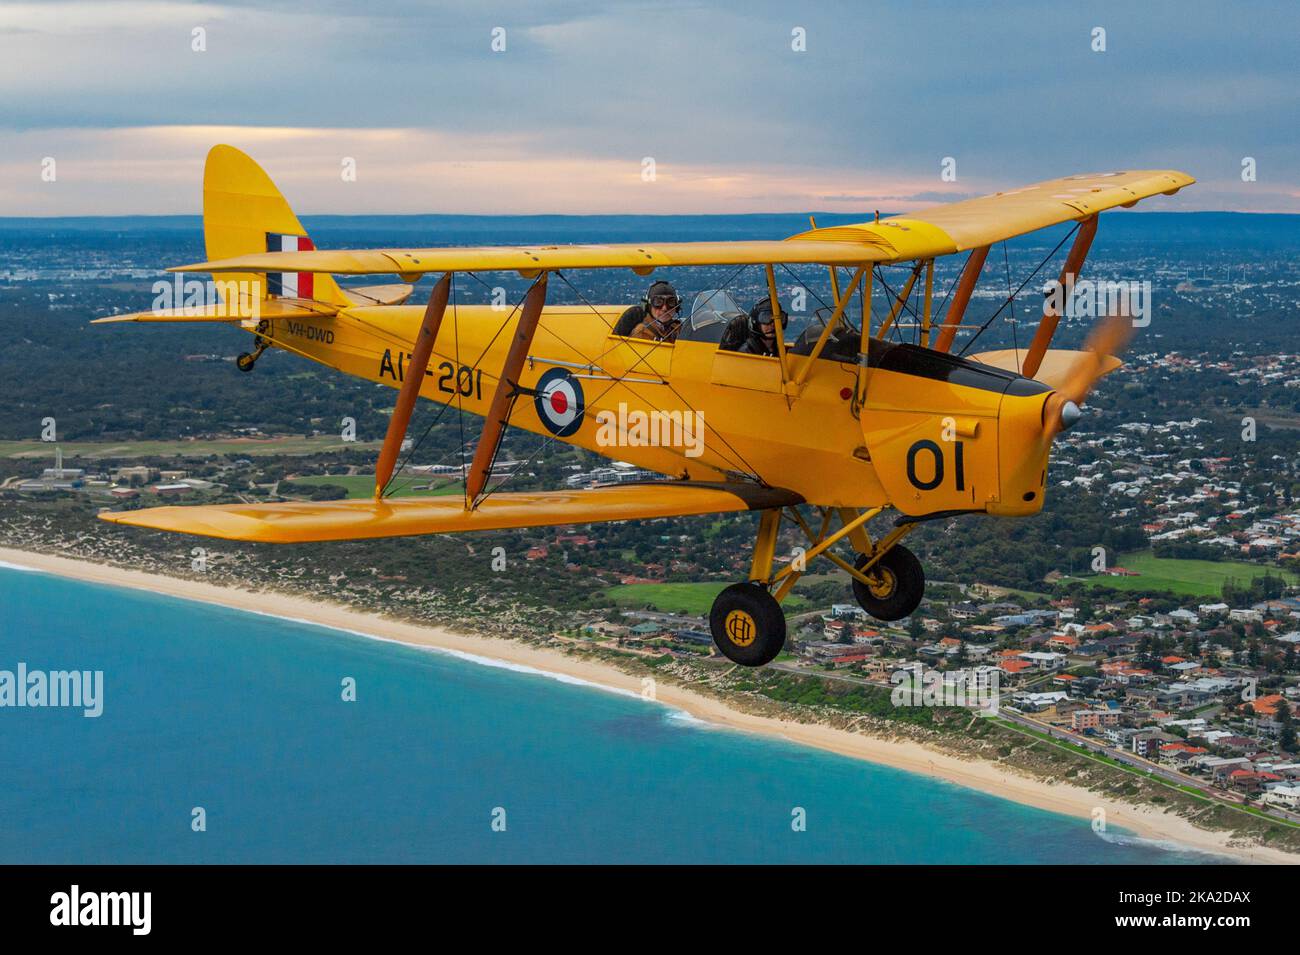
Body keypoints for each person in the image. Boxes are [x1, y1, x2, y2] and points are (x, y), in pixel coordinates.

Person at [613, 280, 682, 342]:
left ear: (677, 306)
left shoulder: (678, 329)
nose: (664, 308)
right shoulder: (641, 333)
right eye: (658, 302)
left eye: (671, 302)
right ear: (648, 306)